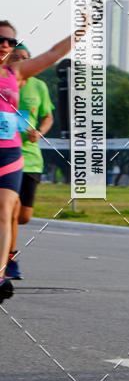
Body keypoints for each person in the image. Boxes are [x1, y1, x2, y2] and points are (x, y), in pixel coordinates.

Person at [0, 20, 87, 302]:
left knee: (6, 210)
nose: (5, 45)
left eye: (11, 42)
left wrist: (78, 34)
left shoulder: (17, 72)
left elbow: (51, 54)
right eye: (1, 39)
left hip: (11, 153)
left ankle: (1, 273)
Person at [4, 44, 55, 280]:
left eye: (25, 58)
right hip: (8, 152)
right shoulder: (7, 79)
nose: (21, 61)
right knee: (9, 210)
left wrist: (40, 132)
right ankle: (9, 258)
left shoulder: (39, 86)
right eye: (16, 57)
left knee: (23, 216)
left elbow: (48, 116)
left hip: (31, 157)